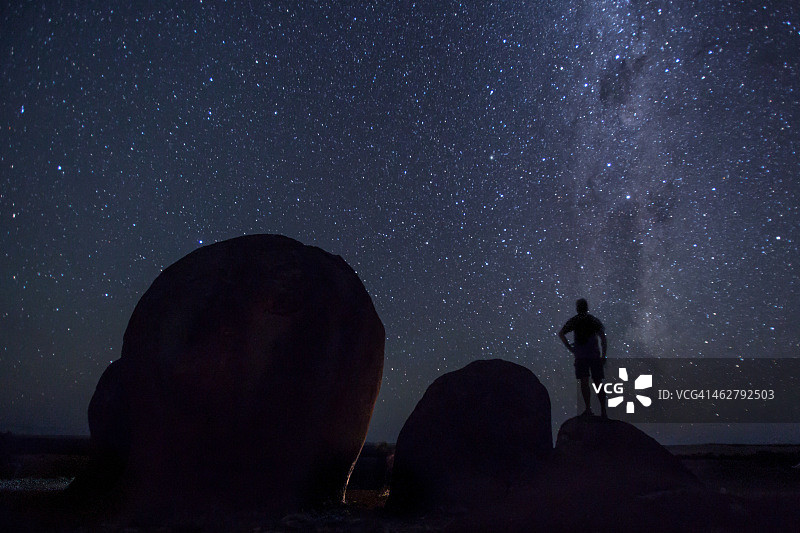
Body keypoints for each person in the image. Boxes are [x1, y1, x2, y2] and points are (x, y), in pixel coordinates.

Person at [558, 298, 608, 417]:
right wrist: (604, 355)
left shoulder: (575, 320)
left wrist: (571, 349)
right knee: (598, 383)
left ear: (577, 308)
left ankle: (588, 409)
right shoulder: (593, 320)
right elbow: (603, 338)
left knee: (584, 382)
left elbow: (561, 334)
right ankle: (603, 411)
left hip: (581, 356)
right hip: (594, 355)